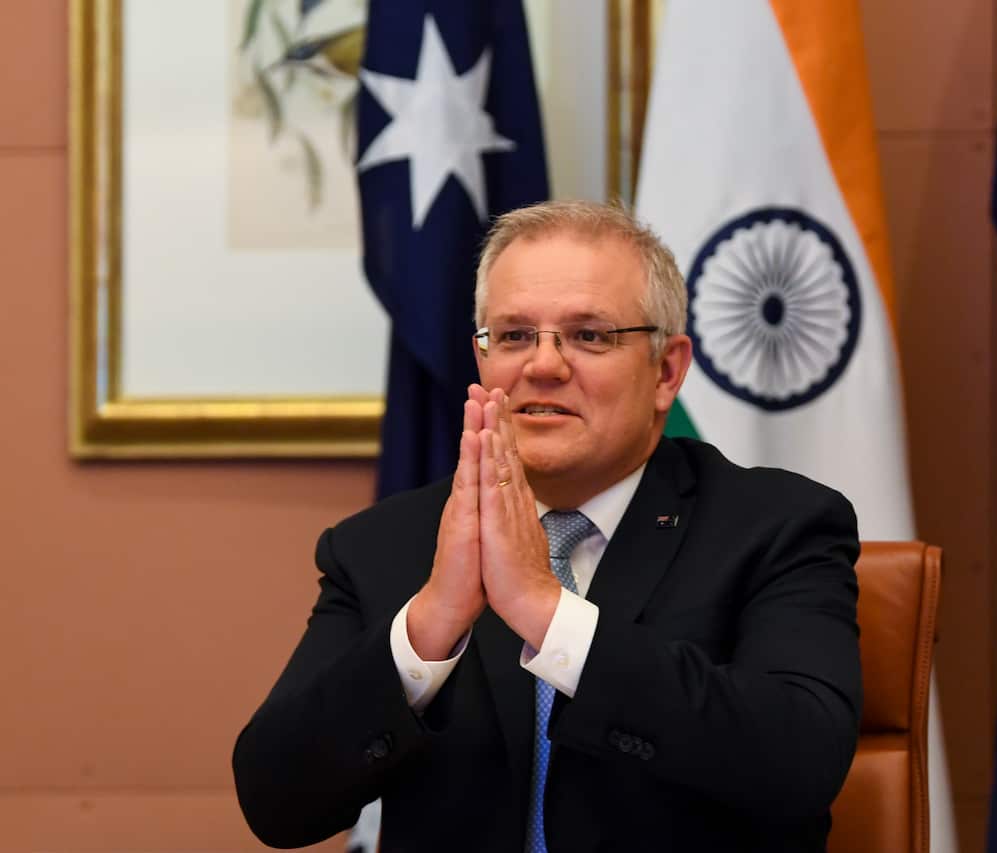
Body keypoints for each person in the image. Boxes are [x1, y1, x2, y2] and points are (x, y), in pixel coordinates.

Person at [233, 201, 862, 852]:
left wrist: (546, 612)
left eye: (589, 335)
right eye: (512, 335)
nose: (543, 365)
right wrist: (429, 626)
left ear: (667, 370)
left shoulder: (776, 527)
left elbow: (800, 763)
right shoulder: (385, 544)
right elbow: (275, 800)